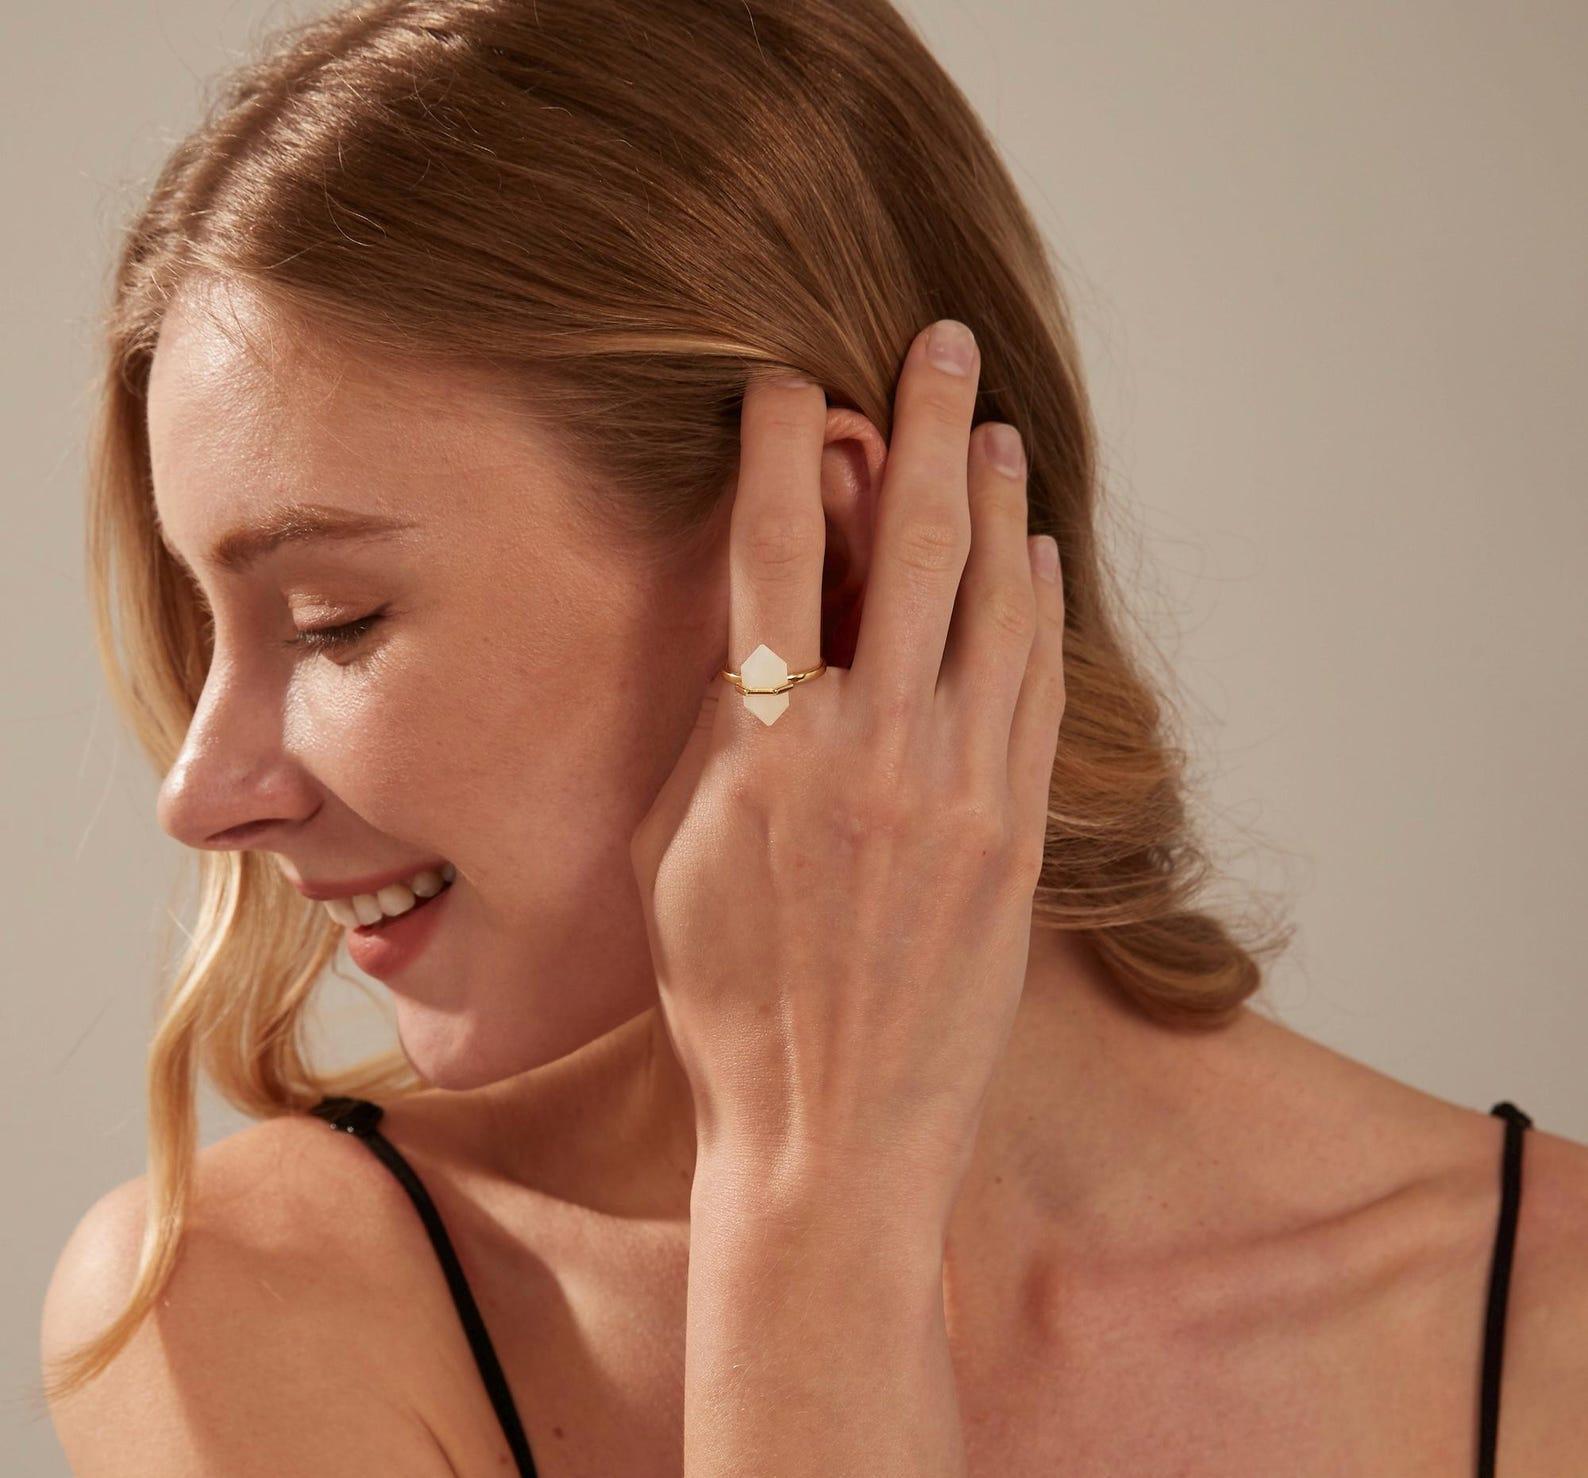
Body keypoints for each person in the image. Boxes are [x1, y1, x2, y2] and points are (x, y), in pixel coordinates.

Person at [39, 1, 1587, 1473]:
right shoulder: (252, 1314)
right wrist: (816, 1214)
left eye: (331, 621)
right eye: (211, 627)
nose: (200, 792)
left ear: (826, 553)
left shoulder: (1553, 1329)